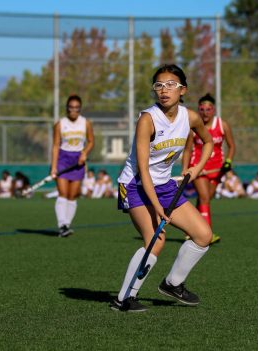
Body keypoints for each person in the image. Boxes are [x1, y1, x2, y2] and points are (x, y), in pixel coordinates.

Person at [111, 64, 213, 312]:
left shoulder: (190, 117)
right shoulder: (148, 119)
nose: (164, 90)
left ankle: (172, 284)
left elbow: (208, 142)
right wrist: (157, 207)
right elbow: (143, 170)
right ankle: (124, 298)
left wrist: (196, 169)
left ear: (183, 90)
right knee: (156, 239)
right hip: (134, 185)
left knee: (203, 236)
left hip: (164, 184)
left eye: (170, 85)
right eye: (159, 85)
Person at [182, 93, 235, 244]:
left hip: (216, 170)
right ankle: (207, 235)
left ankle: (193, 230)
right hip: (198, 168)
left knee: (205, 199)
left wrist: (228, 162)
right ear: (198, 110)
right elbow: (187, 149)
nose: (205, 113)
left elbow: (232, 146)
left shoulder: (222, 125)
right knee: (204, 198)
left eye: (208, 109)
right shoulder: (194, 127)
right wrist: (185, 168)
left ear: (214, 110)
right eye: (202, 109)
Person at [50, 95, 94, 237]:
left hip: (77, 160)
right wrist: (53, 166)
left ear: (80, 108)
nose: (73, 110)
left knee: (72, 195)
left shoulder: (85, 123)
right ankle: (61, 225)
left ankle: (66, 225)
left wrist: (84, 153)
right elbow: (56, 145)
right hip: (63, 159)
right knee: (62, 193)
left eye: (77, 108)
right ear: (67, 108)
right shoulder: (60, 124)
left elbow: (91, 141)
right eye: (71, 107)